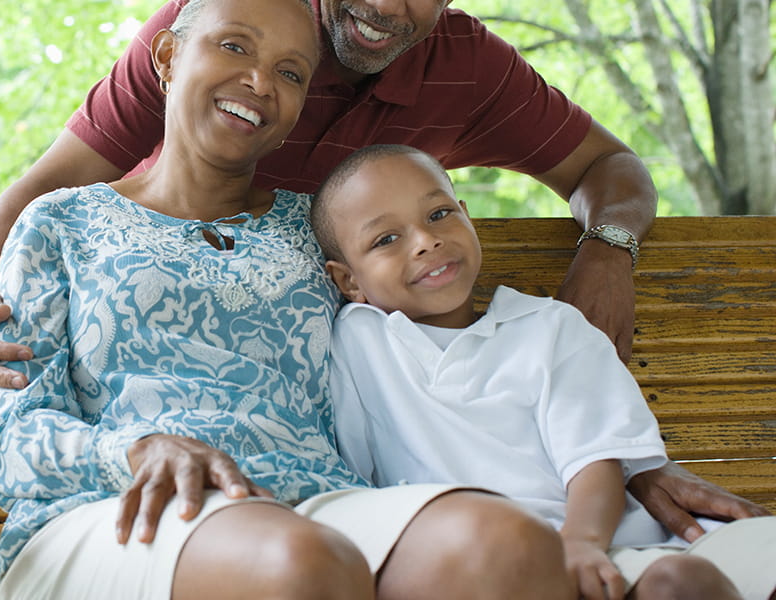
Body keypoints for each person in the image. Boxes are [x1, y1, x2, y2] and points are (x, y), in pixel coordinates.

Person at [0, 0, 767, 539]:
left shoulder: (468, 66)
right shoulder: (217, 33)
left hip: (370, 428)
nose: (386, 1)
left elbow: (612, 170)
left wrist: (608, 252)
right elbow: (43, 199)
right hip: (223, 447)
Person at [0, 0, 579, 600]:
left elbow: (435, 358)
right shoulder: (61, 221)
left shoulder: (318, 230)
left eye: (291, 73)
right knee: (298, 564)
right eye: (234, 46)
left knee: (507, 548)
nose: (260, 82)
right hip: (119, 506)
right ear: (168, 56)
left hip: (317, 498)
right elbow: (9, 440)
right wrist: (136, 450)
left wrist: (616, 461)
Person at [310, 143, 776, 600]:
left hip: (608, 542)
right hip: (474, 564)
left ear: (467, 215)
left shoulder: (548, 327)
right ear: (349, 281)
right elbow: (348, 475)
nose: (426, 241)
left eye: (439, 215)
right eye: (385, 239)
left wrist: (580, 544)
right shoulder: (358, 342)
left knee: (685, 581)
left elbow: (596, 461)